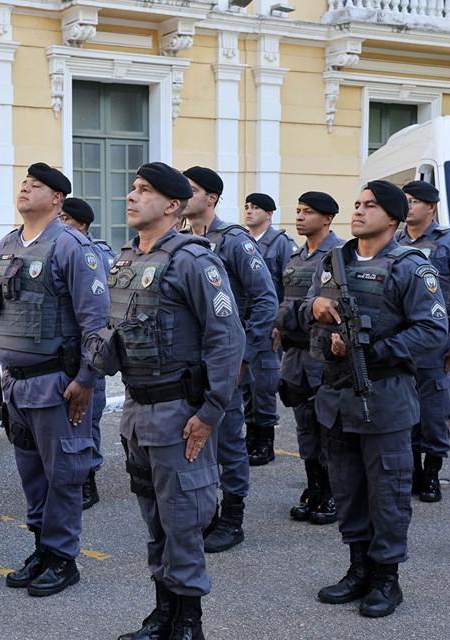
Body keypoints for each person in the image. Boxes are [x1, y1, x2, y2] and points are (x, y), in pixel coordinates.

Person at [86, 162, 244, 640]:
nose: (131, 197)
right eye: (132, 188)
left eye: (145, 191)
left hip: (180, 414)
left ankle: (189, 623)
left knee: (183, 522)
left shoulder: (194, 261)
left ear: (173, 206)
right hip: (137, 410)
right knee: (155, 521)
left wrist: (210, 413)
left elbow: (227, 339)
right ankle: (162, 614)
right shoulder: (128, 261)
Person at [304, 180, 447, 618]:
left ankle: (387, 578)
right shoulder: (335, 261)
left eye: (370, 206)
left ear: (393, 217)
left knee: (387, 491)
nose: (360, 212)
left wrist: (370, 351)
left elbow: (432, 331)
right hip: (337, 397)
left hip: (384, 397)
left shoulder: (410, 267)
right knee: (347, 489)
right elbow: (308, 304)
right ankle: (358, 568)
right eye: (357, 204)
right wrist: (314, 309)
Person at [0, 163, 108, 597]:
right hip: (16, 384)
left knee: (63, 475)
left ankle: (63, 557)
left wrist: (86, 380)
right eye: (23, 183)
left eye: (35, 186)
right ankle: (42, 547)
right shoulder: (7, 245)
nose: (24, 189)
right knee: (32, 475)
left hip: (56, 384)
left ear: (57, 199)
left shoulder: (73, 247)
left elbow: (95, 322)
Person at [180, 167, 279, 553]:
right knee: (193, 439)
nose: (184, 196)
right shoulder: (181, 241)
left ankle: (232, 516)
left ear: (211, 198)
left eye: (192, 190)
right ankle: (202, 511)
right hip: (189, 364)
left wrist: (243, 356)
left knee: (228, 443)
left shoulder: (234, 240)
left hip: (225, 362)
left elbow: (264, 299)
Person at [274, 192, 343, 525]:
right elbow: (285, 300)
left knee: (326, 424)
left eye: (309, 212)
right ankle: (313, 486)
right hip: (295, 352)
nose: (300, 217)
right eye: (298, 210)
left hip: (322, 354)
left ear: (327, 219)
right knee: (304, 425)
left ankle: (332, 492)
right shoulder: (296, 257)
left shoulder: (340, 256)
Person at [394, 180, 450, 502]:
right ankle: (413, 473)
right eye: (404, 200)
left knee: (434, 414)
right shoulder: (393, 241)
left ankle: (432, 475)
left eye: (414, 201)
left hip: (437, 345)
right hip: (402, 342)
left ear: (431, 207)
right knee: (403, 411)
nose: (407, 206)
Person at [60, 196, 117, 510]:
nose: (60, 225)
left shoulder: (95, 254)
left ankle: (88, 479)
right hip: (64, 345)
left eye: (65, 220)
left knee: (87, 414)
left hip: (91, 345)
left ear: (79, 224)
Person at [243, 192, 295, 466]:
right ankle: (251, 436)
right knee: (246, 384)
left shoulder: (280, 244)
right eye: (247, 207)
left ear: (269, 213)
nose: (249, 212)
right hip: (246, 324)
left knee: (263, 384)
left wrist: (280, 324)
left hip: (268, 324)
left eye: (256, 208)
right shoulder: (243, 242)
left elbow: (289, 286)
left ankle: (264, 441)